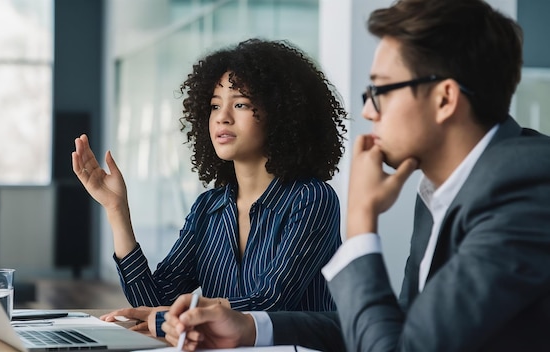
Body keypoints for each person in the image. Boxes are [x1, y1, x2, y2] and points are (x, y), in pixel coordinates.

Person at [161, 0, 550, 351]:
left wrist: (362, 220)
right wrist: (248, 327)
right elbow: (395, 326)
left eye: (381, 90)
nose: (368, 112)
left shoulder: (522, 187)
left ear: (445, 99)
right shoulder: (440, 190)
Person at [72, 39, 347, 336]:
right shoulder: (208, 208)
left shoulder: (312, 199)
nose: (222, 117)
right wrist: (117, 211)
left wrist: (171, 319)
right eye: (215, 105)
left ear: (281, 114)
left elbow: (270, 303)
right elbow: (154, 301)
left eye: (240, 104)